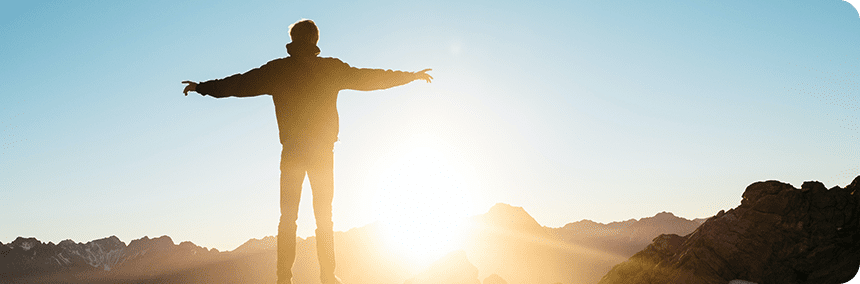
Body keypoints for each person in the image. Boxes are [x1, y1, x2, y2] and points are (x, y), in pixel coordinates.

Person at [181, 19, 432, 284]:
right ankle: (327, 276)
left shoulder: (278, 70)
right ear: (315, 40)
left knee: (288, 218)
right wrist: (410, 76)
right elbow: (370, 78)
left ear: (293, 39)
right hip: (323, 153)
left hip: (292, 152)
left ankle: (283, 279)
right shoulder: (331, 68)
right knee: (325, 217)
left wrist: (202, 87)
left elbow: (239, 84)